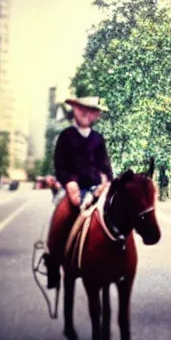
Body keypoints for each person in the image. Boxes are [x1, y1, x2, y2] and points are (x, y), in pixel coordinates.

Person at [42, 96, 114, 288]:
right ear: (74, 110)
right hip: (72, 188)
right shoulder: (66, 136)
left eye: (90, 110)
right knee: (61, 216)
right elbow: (60, 164)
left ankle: (114, 260)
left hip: (95, 188)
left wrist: (105, 182)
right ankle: (52, 261)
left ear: (96, 115)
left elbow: (105, 166)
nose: (85, 113)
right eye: (82, 109)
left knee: (114, 216)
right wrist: (70, 183)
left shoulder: (98, 139)